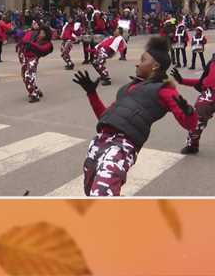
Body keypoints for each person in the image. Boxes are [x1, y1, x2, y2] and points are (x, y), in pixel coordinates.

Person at [73, 37, 197, 196]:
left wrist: (188, 111)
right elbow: (105, 117)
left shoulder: (165, 90)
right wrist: (91, 93)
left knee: (102, 194)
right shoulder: (128, 88)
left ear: (155, 66)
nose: (137, 63)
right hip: (99, 141)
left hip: (122, 145)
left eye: (143, 60)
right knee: (89, 191)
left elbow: (190, 124)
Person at [171, 57, 215, 154]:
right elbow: (202, 82)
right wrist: (182, 80)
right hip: (209, 94)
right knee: (197, 119)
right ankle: (193, 145)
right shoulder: (212, 62)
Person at [18, 24, 53, 102]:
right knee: (24, 76)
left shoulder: (48, 43)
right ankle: (36, 90)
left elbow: (42, 49)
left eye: (43, 33)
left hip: (33, 58)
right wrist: (21, 44)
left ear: (47, 35)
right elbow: (23, 38)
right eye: (40, 32)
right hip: (25, 58)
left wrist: (31, 44)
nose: (41, 34)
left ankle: (34, 95)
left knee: (28, 76)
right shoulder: (34, 36)